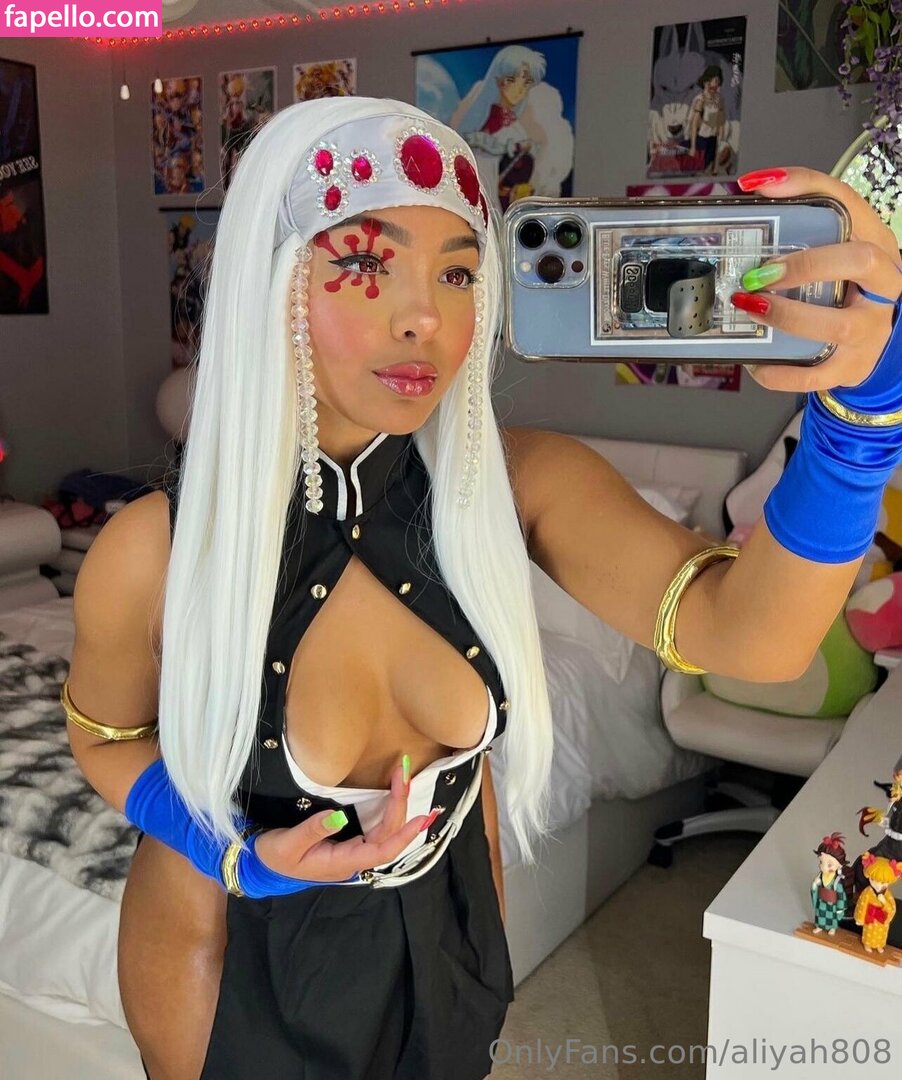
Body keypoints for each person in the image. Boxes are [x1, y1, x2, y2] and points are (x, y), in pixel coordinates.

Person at [62, 95, 901, 1080]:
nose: (424, 315)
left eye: (457, 273)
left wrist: (858, 426)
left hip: (451, 948)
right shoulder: (154, 550)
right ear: (270, 278)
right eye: (368, 262)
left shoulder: (511, 487)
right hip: (227, 965)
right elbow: (104, 738)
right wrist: (236, 857)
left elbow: (754, 640)